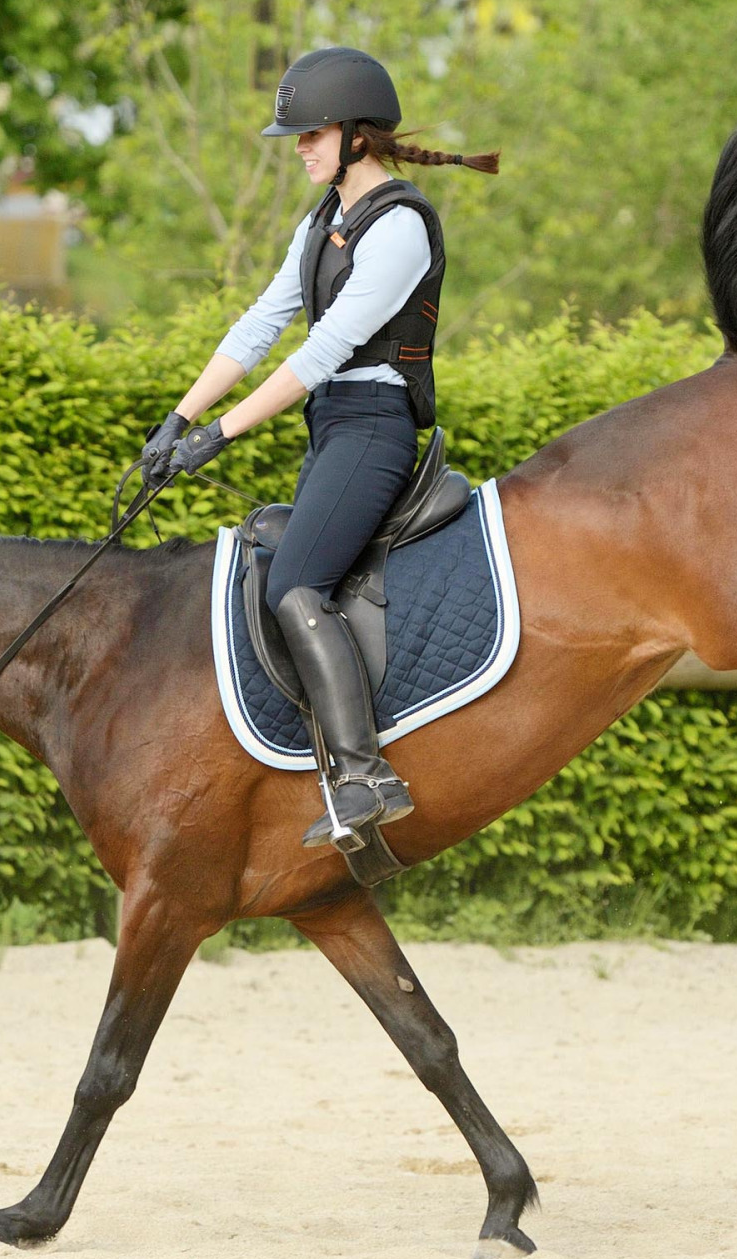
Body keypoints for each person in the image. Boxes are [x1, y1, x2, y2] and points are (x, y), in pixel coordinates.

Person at [141, 46, 498, 855]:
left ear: (359, 138)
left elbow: (322, 352)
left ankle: (367, 774)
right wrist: (179, 415)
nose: (300, 147)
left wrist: (217, 436)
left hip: (375, 429)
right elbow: (262, 323)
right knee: (274, 558)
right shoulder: (322, 224)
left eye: (312, 133)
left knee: (297, 581)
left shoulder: (401, 226)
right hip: (334, 429)